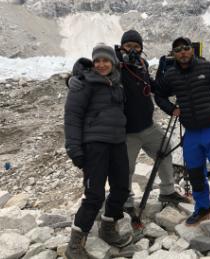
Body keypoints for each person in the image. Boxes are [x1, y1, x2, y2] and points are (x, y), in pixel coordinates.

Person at [155, 37, 210, 233]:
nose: (182, 52)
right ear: (173, 54)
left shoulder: (208, 68)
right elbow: (158, 93)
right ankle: (203, 208)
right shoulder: (171, 75)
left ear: (191, 50)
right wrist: (171, 109)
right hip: (191, 133)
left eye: (185, 48)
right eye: (177, 50)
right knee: (195, 174)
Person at [115, 30, 190, 226]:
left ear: (141, 49)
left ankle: (168, 192)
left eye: (137, 46)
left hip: (148, 127)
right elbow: (95, 68)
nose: (133, 49)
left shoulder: (142, 64)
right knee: (126, 168)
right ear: (122, 47)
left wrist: (172, 86)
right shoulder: (116, 65)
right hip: (127, 132)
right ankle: (126, 202)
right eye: (129, 45)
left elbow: (152, 86)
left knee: (164, 151)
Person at [64, 43, 132, 258]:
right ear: (93, 63)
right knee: (94, 194)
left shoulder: (117, 83)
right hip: (94, 145)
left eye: (106, 60)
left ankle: (108, 228)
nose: (102, 65)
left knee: (121, 188)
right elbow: (72, 117)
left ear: (113, 62)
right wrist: (74, 148)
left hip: (117, 142)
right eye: (97, 61)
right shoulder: (83, 84)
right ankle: (74, 244)